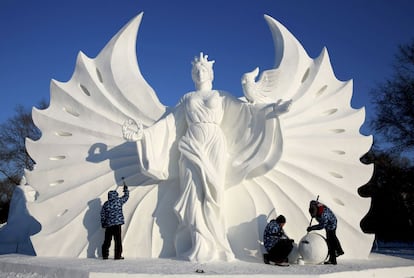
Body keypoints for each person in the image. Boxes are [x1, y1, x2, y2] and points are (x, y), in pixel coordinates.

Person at [122, 53, 292, 261]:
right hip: (191, 144)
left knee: (215, 195)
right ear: (193, 75)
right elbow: (169, 123)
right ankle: (197, 244)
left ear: (211, 73)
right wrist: (144, 135)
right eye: (196, 70)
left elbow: (247, 111)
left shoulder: (221, 96)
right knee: (192, 195)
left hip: (214, 145)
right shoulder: (187, 98)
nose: (200, 73)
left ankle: (218, 244)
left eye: (203, 69)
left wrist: (273, 109)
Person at [307, 200, 344, 265]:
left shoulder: (323, 215)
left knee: (330, 240)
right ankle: (339, 251)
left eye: (314, 216)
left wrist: (312, 228)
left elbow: (322, 226)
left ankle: (334, 258)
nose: (314, 217)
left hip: (331, 223)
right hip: (328, 220)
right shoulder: (313, 205)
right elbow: (312, 201)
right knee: (332, 238)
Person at [100, 183, 129, 260]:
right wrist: (125, 190)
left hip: (108, 225)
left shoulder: (106, 204)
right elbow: (126, 197)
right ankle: (117, 256)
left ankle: (105, 255)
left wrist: (103, 223)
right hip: (117, 224)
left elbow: (102, 215)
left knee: (107, 240)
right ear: (116, 195)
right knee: (118, 240)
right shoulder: (118, 201)